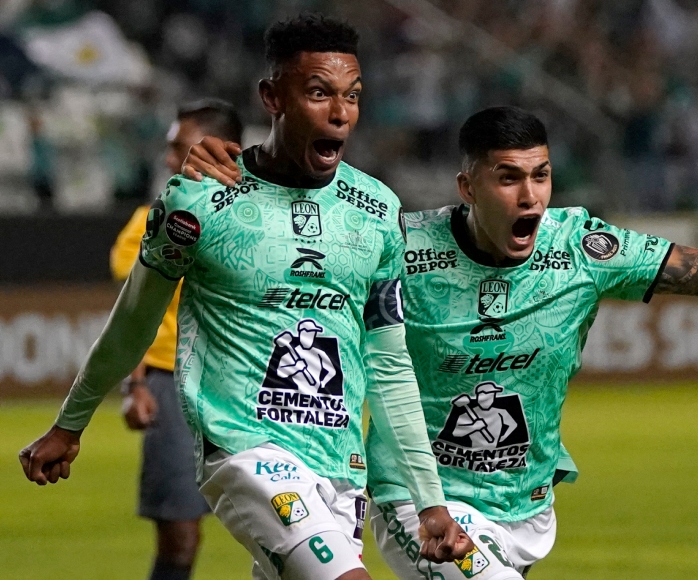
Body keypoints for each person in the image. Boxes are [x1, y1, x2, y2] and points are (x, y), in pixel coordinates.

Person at [180, 106, 698, 579]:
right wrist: (233, 172)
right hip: (413, 503)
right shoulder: (402, 246)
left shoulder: (582, 249)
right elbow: (298, 249)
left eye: (539, 175)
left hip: (525, 509)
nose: (528, 193)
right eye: (507, 177)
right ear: (468, 186)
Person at [19, 14, 471, 580]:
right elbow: (132, 320)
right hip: (242, 447)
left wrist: (429, 499)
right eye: (317, 93)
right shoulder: (199, 202)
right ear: (272, 97)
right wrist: (71, 421)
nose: (340, 113)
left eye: (352, 96)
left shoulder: (378, 210)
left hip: (338, 464)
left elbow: (389, 363)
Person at [109, 98, 242, 580]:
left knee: (293, 532)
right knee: (180, 534)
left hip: (254, 384)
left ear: (226, 149)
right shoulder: (151, 220)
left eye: (179, 148)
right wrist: (135, 385)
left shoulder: (261, 218)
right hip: (172, 382)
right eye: (170, 150)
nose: (170, 161)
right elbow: (132, 317)